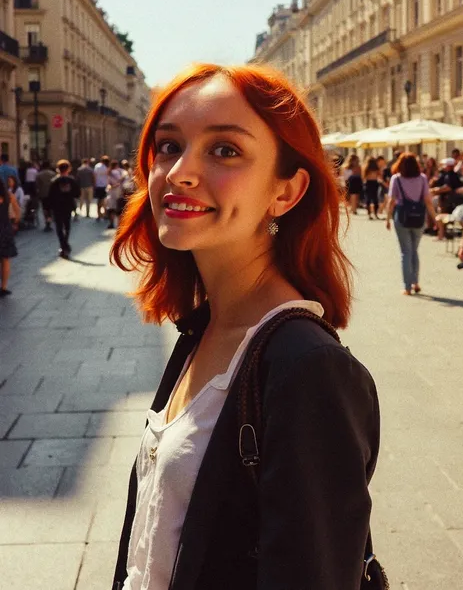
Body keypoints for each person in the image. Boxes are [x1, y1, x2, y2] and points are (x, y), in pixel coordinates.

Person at [110, 63, 381, 590]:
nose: (180, 171)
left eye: (224, 150)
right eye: (168, 146)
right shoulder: (203, 328)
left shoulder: (308, 368)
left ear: (285, 192)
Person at [386, 152, 437, 295]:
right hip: (419, 217)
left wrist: (387, 218)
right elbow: (428, 200)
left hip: (401, 217)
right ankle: (416, 282)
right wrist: (435, 218)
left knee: (405, 252)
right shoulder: (422, 178)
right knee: (414, 250)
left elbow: (391, 201)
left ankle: (407, 287)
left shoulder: (396, 179)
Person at [48, 159, 80, 259]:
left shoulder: (54, 181)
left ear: (58, 169)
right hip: (68, 206)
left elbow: (50, 196)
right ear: (69, 169)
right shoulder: (72, 181)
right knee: (67, 226)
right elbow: (77, 194)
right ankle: (65, 244)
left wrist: (48, 210)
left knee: (59, 227)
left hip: (57, 207)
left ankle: (63, 245)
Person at [430, 157, 463, 241]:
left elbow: (448, 187)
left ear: (449, 166)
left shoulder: (451, 175)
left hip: (450, 201)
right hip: (446, 200)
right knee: (441, 216)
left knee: (441, 216)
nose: (443, 166)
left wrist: (435, 190)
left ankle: (442, 235)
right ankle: (442, 234)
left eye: (444, 165)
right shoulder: (446, 174)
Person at [0, 177, 21, 296]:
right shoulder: (9, 196)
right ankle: (3, 287)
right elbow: (18, 212)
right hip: (6, 228)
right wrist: (14, 223)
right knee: (6, 259)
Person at [36, 160, 55, 231]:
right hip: (52, 194)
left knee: (45, 209)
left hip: (43, 194)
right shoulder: (53, 174)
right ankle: (50, 220)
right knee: (50, 209)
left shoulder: (39, 175)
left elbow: (37, 186)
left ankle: (47, 222)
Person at [105, 159, 124, 228]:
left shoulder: (109, 172)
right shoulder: (116, 172)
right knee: (118, 209)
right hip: (117, 192)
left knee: (111, 209)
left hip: (110, 193)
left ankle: (111, 223)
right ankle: (119, 224)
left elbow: (108, 184)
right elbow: (119, 182)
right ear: (116, 165)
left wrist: (111, 186)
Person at [94, 155, 110, 220]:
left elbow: (94, 175)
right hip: (105, 186)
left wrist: (95, 184)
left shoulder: (97, 166)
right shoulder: (107, 167)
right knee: (104, 201)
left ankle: (99, 214)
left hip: (98, 185)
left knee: (99, 201)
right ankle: (105, 214)